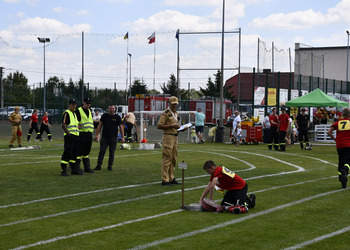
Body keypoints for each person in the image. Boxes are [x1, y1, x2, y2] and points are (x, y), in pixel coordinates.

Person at [157, 96, 185, 186]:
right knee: (167, 158)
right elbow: (159, 126)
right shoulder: (165, 113)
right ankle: (165, 179)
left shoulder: (176, 113)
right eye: (173, 104)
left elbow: (176, 125)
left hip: (175, 136)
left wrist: (181, 128)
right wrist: (171, 126)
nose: (175, 106)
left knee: (173, 158)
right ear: (169, 103)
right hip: (168, 136)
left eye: (176, 104)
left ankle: (171, 178)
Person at [94, 104, 125, 171]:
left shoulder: (117, 117)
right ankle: (98, 165)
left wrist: (122, 137)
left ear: (115, 109)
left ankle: (110, 166)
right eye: (110, 108)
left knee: (112, 153)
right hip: (105, 137)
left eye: (113, 108)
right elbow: (99, 125)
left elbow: (121, 127)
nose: (112, 109)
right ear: (108, 109)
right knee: (102, 152)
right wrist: (97, 135)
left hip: (113, 138)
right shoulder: (104, 116)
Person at [327, 108, 350, 189]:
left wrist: (335, 139)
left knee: (341, 161)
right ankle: (345, 170)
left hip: (339, 145)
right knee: (347, 162)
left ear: (342, 114)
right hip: (348, 144)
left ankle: (342, 179)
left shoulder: (339, 122)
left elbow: (329, 132)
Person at [60, 99, 83, 176]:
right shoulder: (67, 113)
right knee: (67, 152)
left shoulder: (74, 114)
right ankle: (63, 169)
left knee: (74, 153)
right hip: (70, 136)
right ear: (69, 104)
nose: (74, 106)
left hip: (76, 136)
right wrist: (68, 134)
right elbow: (64, 124)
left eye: (75, 104)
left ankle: (74, 169)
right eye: (73, 104)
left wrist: (78, 128)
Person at [76, 97, 94, 173]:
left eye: (89, 103)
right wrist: (77, 126)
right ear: (83, 103)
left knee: (86, 152)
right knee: (79, 151)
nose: (88, 104)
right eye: (86, 103)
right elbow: (75, 120)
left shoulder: (89, 111)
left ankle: (87, 167)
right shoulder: (78, 110)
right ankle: (77, 167)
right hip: (82, 133)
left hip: (89, 133)